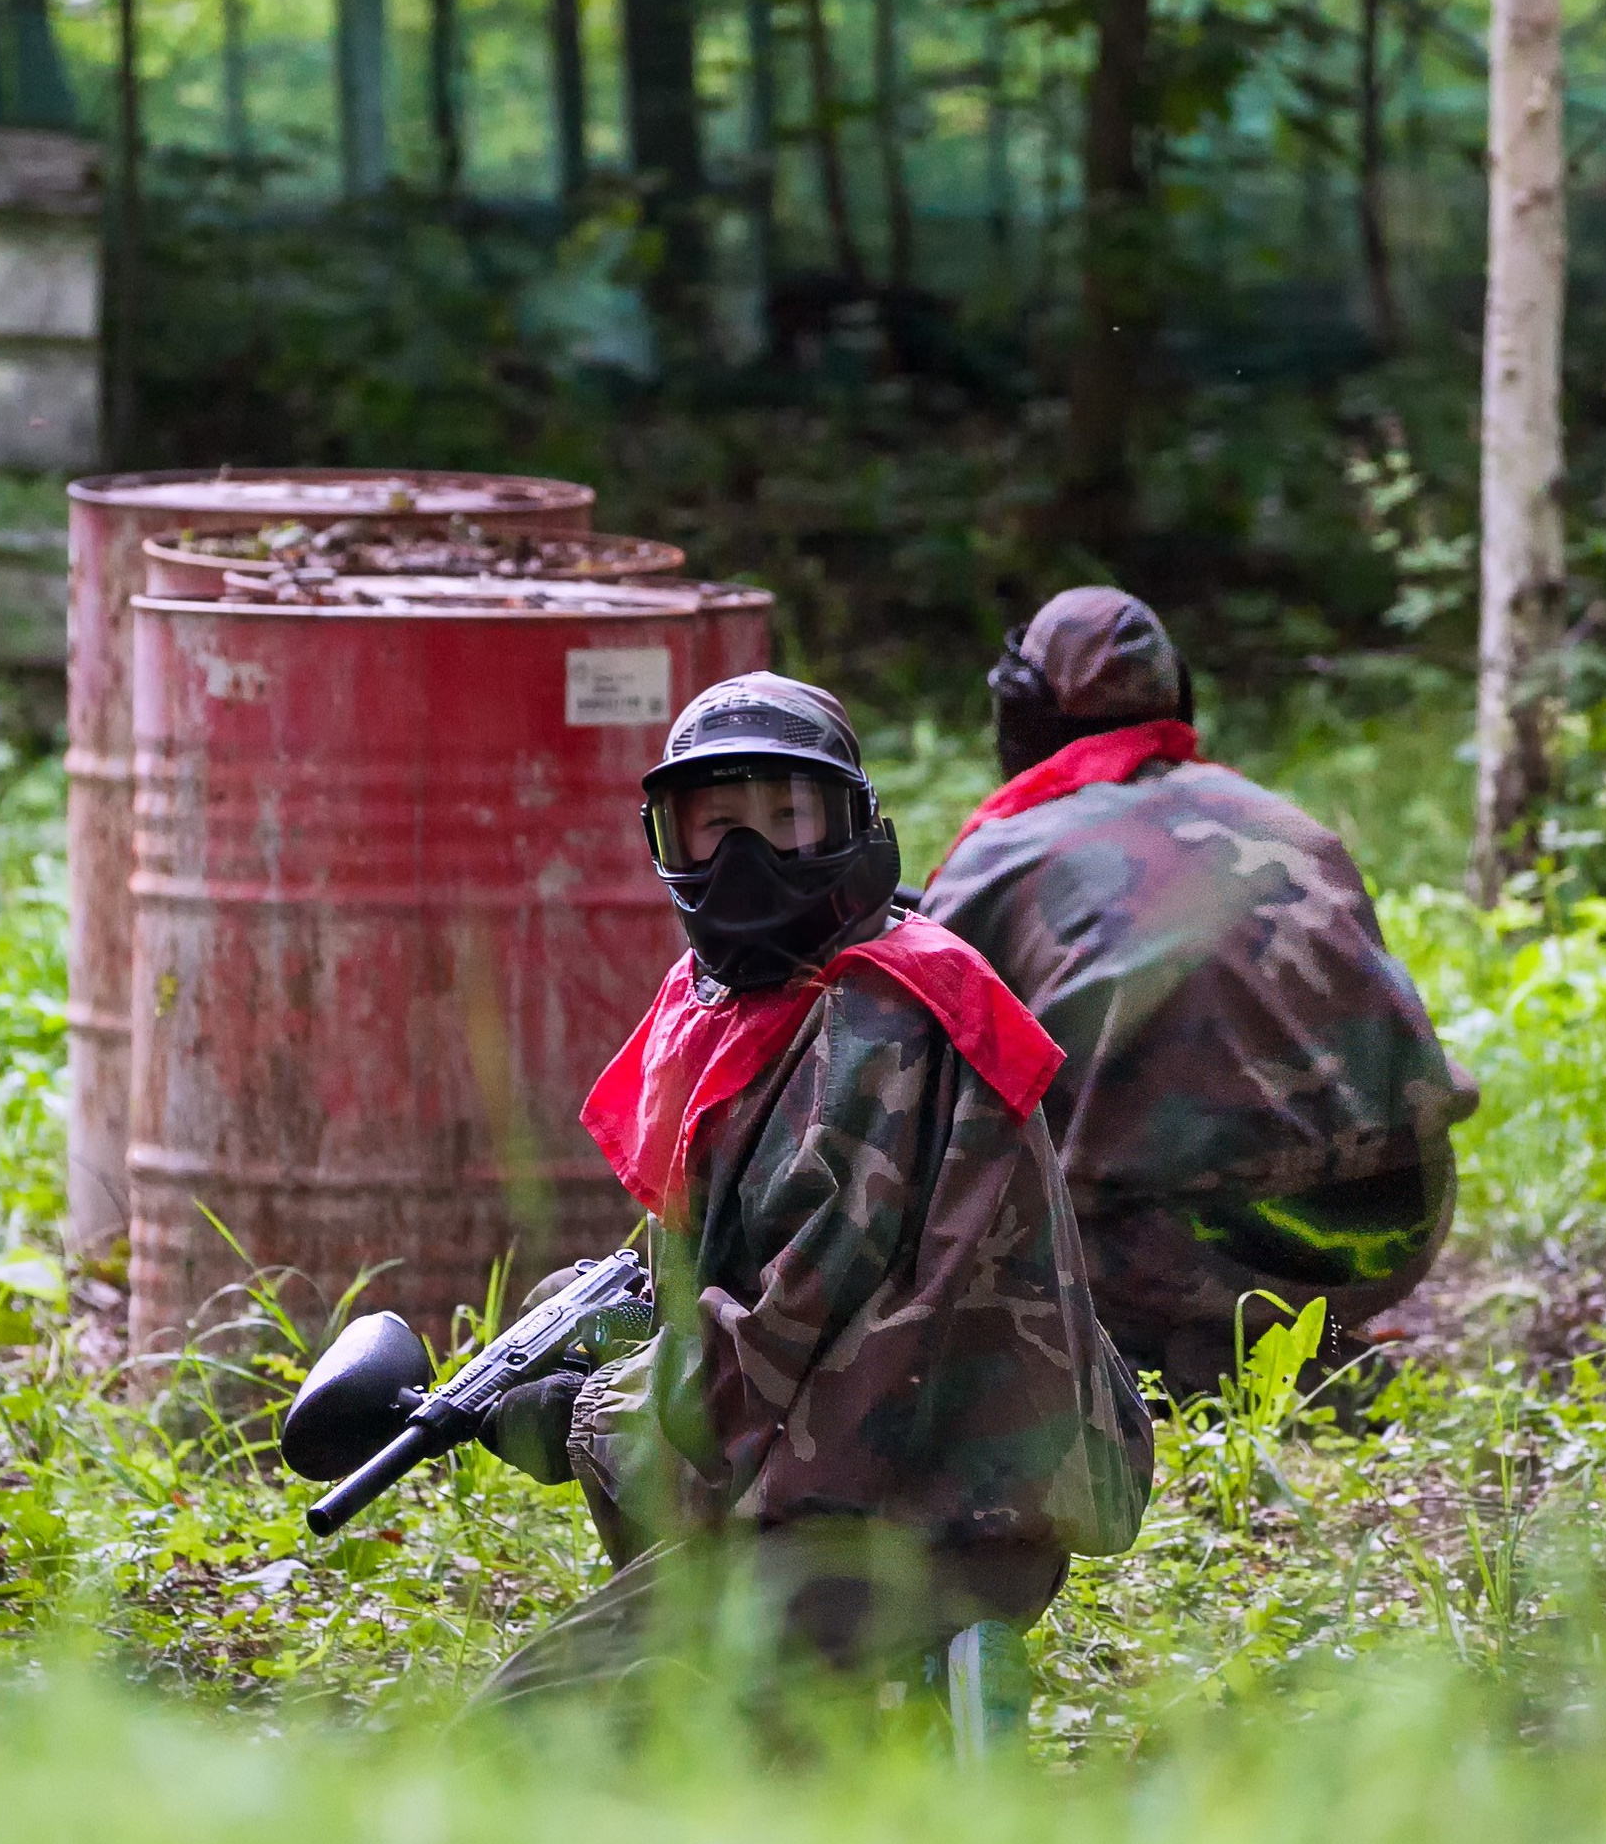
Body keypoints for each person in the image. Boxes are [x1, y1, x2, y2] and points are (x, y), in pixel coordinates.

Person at [474, 671, 1154, 1721]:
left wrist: (583, 1410)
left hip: (913, 1526)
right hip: (867, 1502)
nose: (747, 861)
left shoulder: (878, 1025)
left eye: (787, 819)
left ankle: (882, 1678)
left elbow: (763, 1362)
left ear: (853, 829)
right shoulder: (765, 1011)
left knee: (517, 1739)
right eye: (713, 828)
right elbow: (697, 1271)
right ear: (666, 840)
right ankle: (834, 1710)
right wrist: (567, 1330)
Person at [917, 587, 1479, 1401]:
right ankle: (1285, 1343)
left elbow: (928, 1075)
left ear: (1022, 711)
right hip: (1397, 1229)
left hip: (1176, 1260)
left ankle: (1198, 1361)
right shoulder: (1288, 825)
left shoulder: (997, 859)